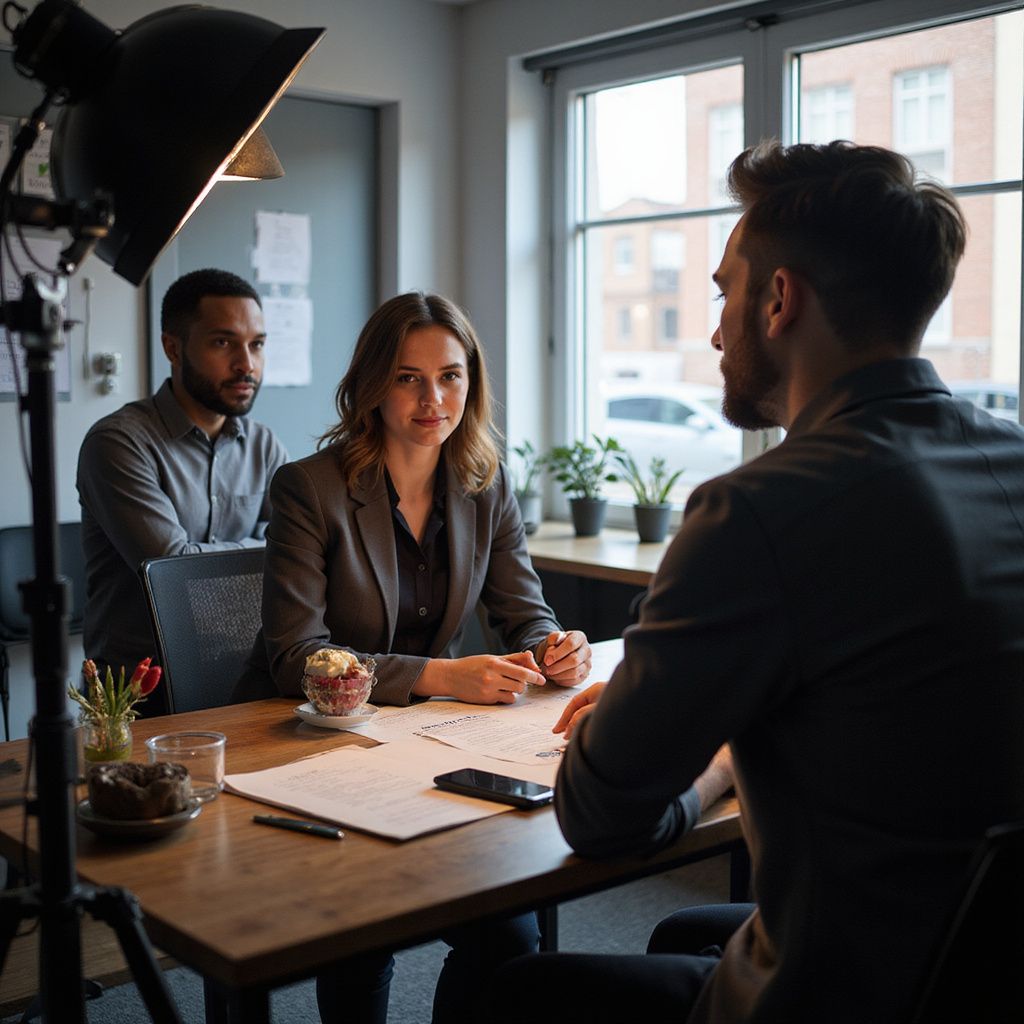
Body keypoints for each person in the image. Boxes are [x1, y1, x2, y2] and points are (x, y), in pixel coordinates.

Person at [489, 140, 1024, 1024]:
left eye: (721, 290)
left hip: (846, 993)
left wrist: (721, 755)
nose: (712, 327)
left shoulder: (759, 512)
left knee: (515, 995)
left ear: (779, 301)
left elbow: (599, 814)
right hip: (974, 960)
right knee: (688, 932)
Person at [235, 290, 592, 1024]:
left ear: (473, 382)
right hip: (315, 747)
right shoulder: (312, 487)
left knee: (509, 934)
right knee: (364, 934)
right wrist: (440, 676)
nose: (434, 398)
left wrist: (555, 651)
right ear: (373, 384)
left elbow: (524, 615)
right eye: (408, 377)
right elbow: (298, 657)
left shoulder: (483, 482)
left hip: (428, 749)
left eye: (452, 376)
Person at [77, 268, 286, 714]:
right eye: (223, 342)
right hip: (137, 693)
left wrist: (236, 557)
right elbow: (175, 575)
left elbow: (302, 553)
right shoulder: (118, 442)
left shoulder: (265, 446)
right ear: (173, 347)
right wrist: (264, 554)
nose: (246, 364)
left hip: (245, 678)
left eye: (257, 344)